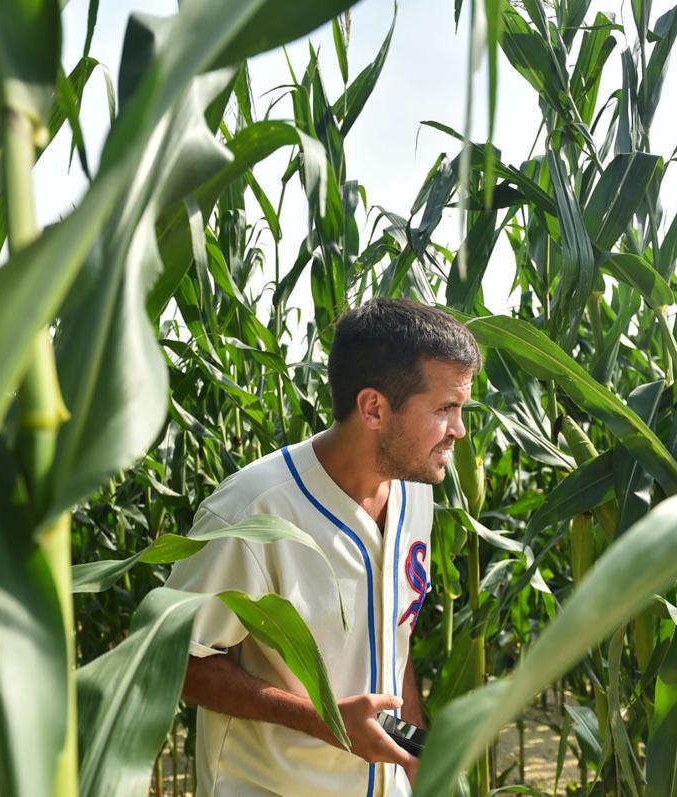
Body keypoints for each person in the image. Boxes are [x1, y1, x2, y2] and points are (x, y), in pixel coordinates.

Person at [166, 298, 482, 797]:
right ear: (374, 408)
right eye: (445, 409)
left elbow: (390, 639)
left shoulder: (415, 490)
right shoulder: (252, 512)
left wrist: (416, 760)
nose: (459, 430)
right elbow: (177, 662)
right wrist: (325, 720)